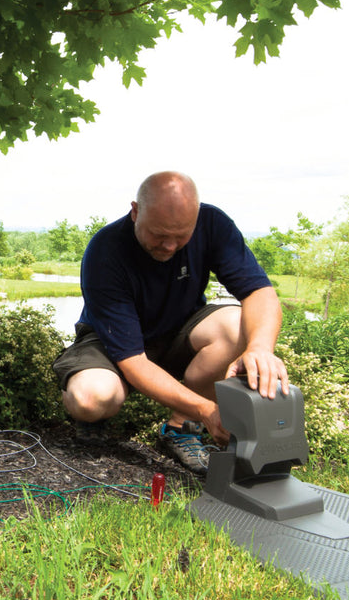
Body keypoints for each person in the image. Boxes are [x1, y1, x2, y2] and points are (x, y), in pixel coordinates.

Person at [51, 171, 289, 474]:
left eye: (181, 236)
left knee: (237, 324)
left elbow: (259, 292)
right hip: (112, 343)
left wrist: (260, 348)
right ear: (136, 211)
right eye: (159, 234)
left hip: (179, 330)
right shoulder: (105, 251)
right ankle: (94, 418)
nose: (169, 246)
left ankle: (180, 427)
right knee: (91, 398)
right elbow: (133, 361)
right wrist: (208, 411)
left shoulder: (212, 224)